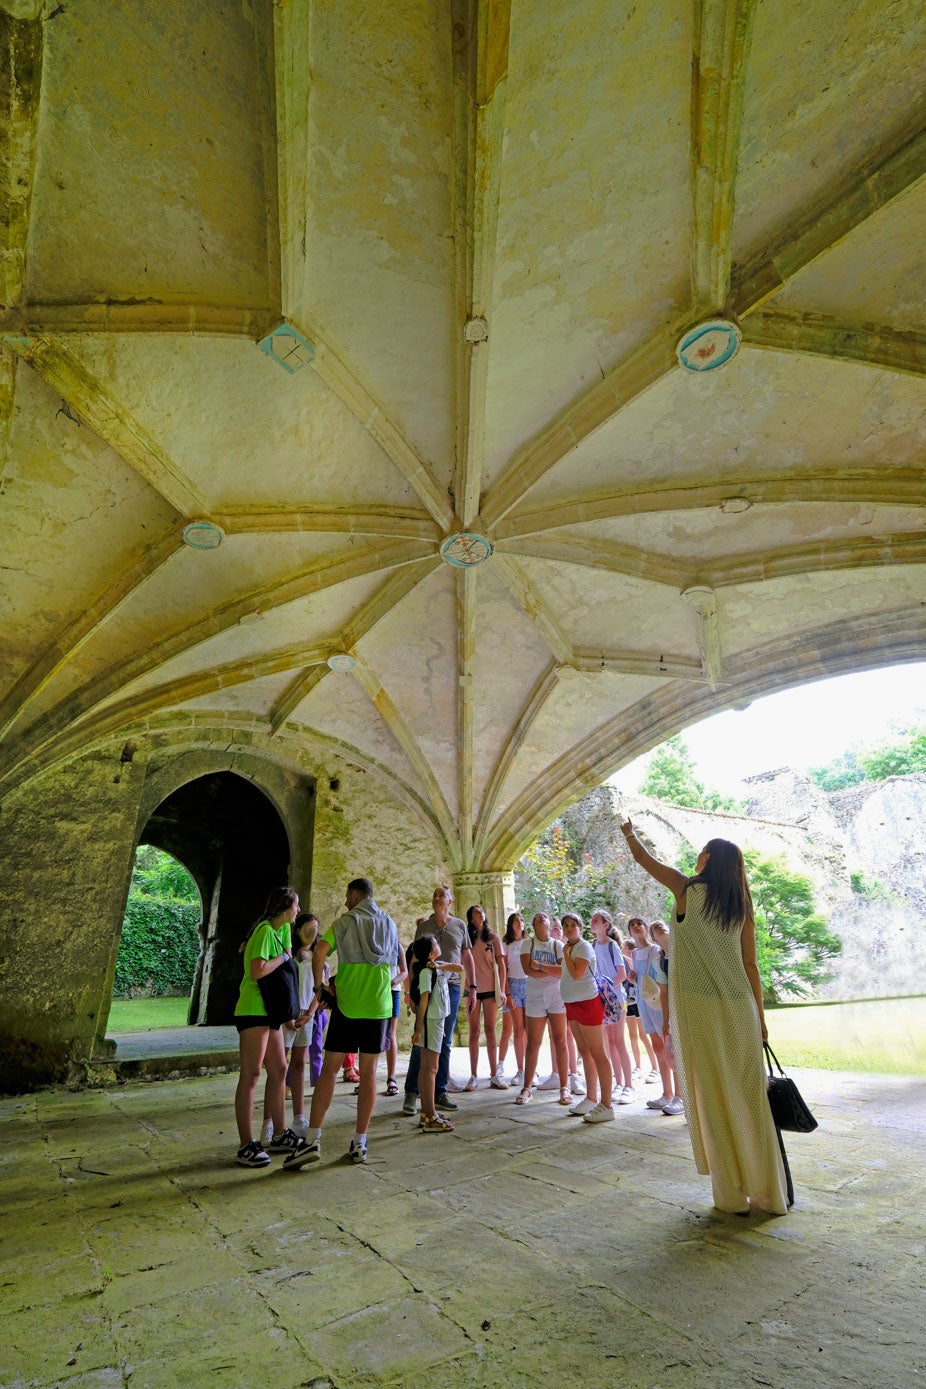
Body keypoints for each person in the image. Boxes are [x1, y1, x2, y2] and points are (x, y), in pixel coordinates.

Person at [621, 820, 788, 1215]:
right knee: (750, 1099)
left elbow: (645, 859)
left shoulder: (686, 889)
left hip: (699, 1009)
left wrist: (630, 832)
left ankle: (731, 1197)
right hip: (741, 1007)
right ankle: (768, 1194)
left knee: (713, 1097)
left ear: (707, 859)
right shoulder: (739, 903)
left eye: (701, 852)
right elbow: (751, 965)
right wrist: (761, 1019)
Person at [284, 877, 400, 1169]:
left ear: (354, 894)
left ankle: (312, 1139)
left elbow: (320, 952)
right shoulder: (389, 923)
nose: (345, 901)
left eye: (347, 896)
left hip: (348, 1007)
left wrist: (321, 987)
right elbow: (397, 963)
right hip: (379, 1007)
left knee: (329, 1072)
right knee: (370, 1075)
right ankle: (360, 1142)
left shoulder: (345, 922)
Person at [232, 886, 301, 1168]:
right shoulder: (263, 931)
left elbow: (289, 951)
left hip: (269, 1011)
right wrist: (284, 958)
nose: (298, 910)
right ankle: (246, 1144)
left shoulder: (280, 931)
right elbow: (257, 970)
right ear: (286, 909)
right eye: (296, 906)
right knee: (250, 1075)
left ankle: (281, 1134)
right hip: (253, 1011)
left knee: (280, 1069)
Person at [402, 887, 476, 1115]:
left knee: (445, 1041)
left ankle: (439, 1091)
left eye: (441, 896)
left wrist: (472, 987)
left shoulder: (459, 925)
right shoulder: (424, 927)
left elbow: (466, 956)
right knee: (421, 1039)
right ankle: (412, 1093)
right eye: (434, 895)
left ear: (450, 902)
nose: (436, 898)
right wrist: (409, 991)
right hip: (427, 986)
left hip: (451, 988)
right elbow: (413, 958)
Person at [260, 911, 321, 1146]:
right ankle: (268, 1124)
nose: (312, 931)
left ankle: (298, 1118)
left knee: (298, 1065)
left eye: (315, 928)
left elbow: (319, 989)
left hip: (306, 1015)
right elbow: (280, 987)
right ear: (298, 930)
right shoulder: (288, 957)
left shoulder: (317, 958)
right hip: (287, 1016)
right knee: (277, 1070)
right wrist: (287, 1015)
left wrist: (310, 1015)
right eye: (308, 927)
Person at [560, 912, 614, 1122]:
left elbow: (576, 973)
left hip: (587, 1003)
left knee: (598, 1052)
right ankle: (591, 1098)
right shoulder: (569, 948)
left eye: (573, 925)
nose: (569, 928)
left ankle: (607, 1104)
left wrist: (565, 954)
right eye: (566, 925)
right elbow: (564, 974)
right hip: (571, 1003)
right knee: (584, 1051)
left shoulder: (582, 947)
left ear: (580, 928)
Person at [515, 912, 571, 1106]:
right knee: (533, 1042)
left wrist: (539, 965)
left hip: (556, 996)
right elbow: (527, 971)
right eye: (537, 916)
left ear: (549, 923)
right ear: (533, 924)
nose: (540, 917)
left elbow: (562, 971)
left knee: (560, 1040)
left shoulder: (558, 945)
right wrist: (550, 969)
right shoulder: (527, 944)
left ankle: (564, 1087)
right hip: (535, 997)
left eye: (544, 916)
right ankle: (527, 1087)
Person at [408, 936, 456, 1133]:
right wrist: (418, 1029)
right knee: (430, 1068)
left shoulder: (435, 968)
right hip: (430, 1023)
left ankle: (427, 1113)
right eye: (436, 943)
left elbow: (458, 967)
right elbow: (424, 1001)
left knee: (428, 1068)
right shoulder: (426, 973)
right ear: (430, 953)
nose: (439, 944)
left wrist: (439, 966)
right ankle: (430, 1116)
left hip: (436, 1022)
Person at [628, 917, 675, 1110]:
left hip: (659, 1004)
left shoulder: (655, 950)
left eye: (639, 924)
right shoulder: (634, 953)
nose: (636, 927)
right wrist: (633, 978)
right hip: (644, 1004)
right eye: (632, 925)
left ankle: (679, 1096)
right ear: (629, 932)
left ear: (646, 929)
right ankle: (667, 1093)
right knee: (658, 1048)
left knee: (670, 1049)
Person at [589, 910, 635, 1103]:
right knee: (609, 1042)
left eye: (596, 920)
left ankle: (628, 1086)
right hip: (601, 999)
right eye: (592, 920)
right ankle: (617, 1083)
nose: (592, 922)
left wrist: (607, 989)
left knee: (618, 1041)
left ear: (606, 925)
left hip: (616, 998)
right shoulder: (592, 946)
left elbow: (622, 974)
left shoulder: (612, 945)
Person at [464, 904, 508, 1090]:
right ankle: (473, 1076)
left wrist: (503, 989)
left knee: (490, 1030)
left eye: (482, 910)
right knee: (474, 1031)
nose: (480, 912)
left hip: (490, 989)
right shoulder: (466, 938)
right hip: (471, 989)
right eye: (475, 911)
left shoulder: (493, 937)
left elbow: (502, 964)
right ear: (471, 917)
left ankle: (494, 1075)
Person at [650, 921, 683, 1115]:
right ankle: (681, 1097)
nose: (659, 928)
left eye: (661, 925)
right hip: (677, 1015)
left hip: (694, 1010)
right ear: (654, 938)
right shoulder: (661, 961)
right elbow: (663, 992)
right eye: (655, 928)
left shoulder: (684, 949)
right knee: (675, 1055)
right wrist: (665, 1020)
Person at [621, 931, 658, 1079]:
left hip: (639, 1001)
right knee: (632, 1036)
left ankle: (655, 1067)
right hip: (628, 1001)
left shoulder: (634, 959)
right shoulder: (626, 961)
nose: (622, 949)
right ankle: (638, 1066)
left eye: (624, 947)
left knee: (644, 1036)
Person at [498, 911, 527, 1087]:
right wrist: (507, 993)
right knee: (516, 1028)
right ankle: (520, 1069)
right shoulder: (506, 944)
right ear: (510, 925)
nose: (519, 923)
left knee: (529, 1030)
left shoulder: (529, 942)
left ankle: (531, 1069)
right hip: (513, 986)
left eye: (521, 920)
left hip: (529, 985)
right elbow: (504, 970)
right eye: (516, 921)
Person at [385, 933, 408, 1097]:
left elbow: (404, 972)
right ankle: (367, 1078)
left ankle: (391, 1078)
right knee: (371, 1034)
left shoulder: (396, 945)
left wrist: (392, 982)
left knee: (390, 1034)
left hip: (392, 992)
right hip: (374, 992)